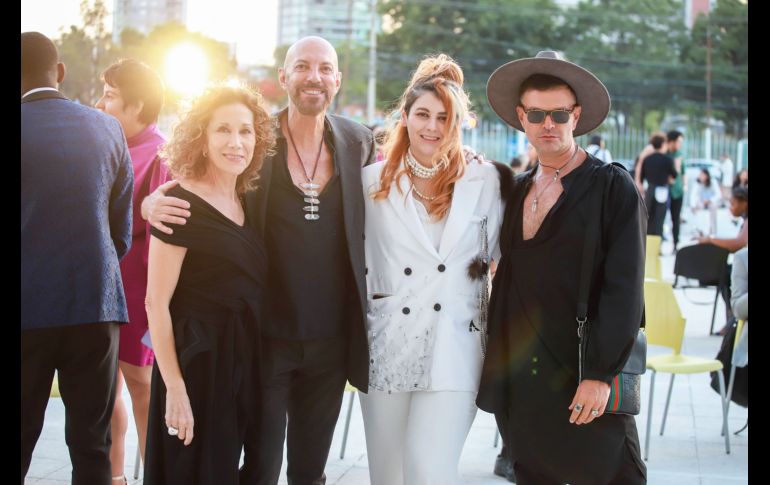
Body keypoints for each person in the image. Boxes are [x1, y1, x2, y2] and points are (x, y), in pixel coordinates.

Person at [142, 36, 376, 485]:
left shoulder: (356, 140)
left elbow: (407, 167)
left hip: (330, 343)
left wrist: (461, 158)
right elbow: (199, 189)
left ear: (338, 80)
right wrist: (151, 203)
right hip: (264, 341)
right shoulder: (254, 138)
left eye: (325, 68)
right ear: (284, 77)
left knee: (310, 472)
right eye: (303, 66)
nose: (315, 77)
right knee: (260, 470)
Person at [479, 50, 647, 484]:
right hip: (525, 381)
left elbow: (625, 289)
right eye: (537, 114)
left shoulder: (612, 186)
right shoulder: (513, 191)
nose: (547, 124)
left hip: (584, 373)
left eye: (558, 113)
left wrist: (599, 375)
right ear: (521, 117)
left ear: (576, 115)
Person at [359, 54, 509, 485]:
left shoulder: (487, 182)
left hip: (456, 347)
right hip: (388, 343)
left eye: (444, 117)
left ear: (458, 122)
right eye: (422, 114)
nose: (433, 127)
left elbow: (508, 254)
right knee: (388, 475)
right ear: (404, 118)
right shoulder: (370, 182)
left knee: (428, 471)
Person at [142, 84, 275, 484]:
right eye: (223, 130)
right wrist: (175, 389)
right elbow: (155, 304)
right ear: (201, 138)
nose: (236, 142)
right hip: (196, 366)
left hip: (244, 360)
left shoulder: (246, 201)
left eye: (246, 131)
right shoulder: (178, 204)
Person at [22, 32, 134, 485]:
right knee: (92, 445)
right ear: (61, 71)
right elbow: (119, 231)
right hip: (96, 306)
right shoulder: (107, 127)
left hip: (27, 310)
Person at [94, 58, 168, 484]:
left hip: (139, 289)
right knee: (105, 390)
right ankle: (114, 477)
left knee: (141, 384)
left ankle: (156, 473)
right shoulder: (105, 145)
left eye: (110, 96)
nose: (100, 104)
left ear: (137, 106)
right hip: (103, 286)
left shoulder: (160, 155)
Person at [640, 133, 676, 237]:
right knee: (660, 219)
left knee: (648, 218)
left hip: (650, 189)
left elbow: (642, 176)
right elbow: (674, 174)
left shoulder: (647, 159)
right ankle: (657, 245)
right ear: (663, 144)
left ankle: (648, 246)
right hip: (662, 190)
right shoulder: (668, 159)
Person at [664, 130, 685, 251]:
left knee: (675, 218)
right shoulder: (665, 153)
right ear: (671, 142)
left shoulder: (680, 154)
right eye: (679, 141)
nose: (680, 144)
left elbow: (683, 172)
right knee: (659, 219)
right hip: (665, 191)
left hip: (678, 192)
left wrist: (684, 186)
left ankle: (675, 244)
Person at [690, 168, 720, 237]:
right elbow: (693, 195)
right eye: (700, 175)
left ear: (707, 176)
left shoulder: (713, 182)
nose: (700, 176)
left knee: (713, 208)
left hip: (711, 202)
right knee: (697, 209)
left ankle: (713, 231)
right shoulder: (697, 183)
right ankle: (699, 230)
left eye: (702, 175)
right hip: (701, 202)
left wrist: (710, 200)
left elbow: (718, 194)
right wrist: (693, 206)